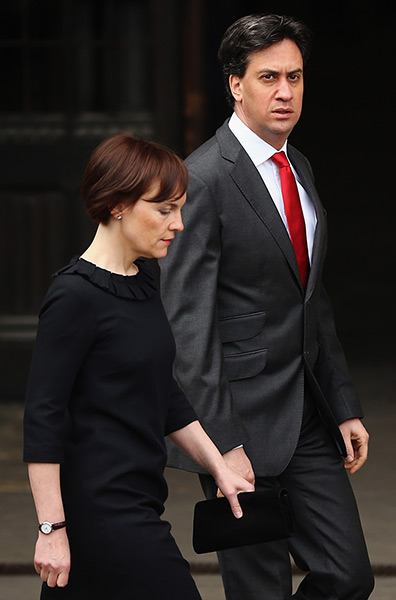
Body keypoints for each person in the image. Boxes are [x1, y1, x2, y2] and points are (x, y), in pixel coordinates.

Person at [159, 13, 374, 600]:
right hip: (237, 423)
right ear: (236, 84)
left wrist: (343, 403)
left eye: (296, 77)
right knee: (260, 590)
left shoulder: (297, 166)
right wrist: (221, 443)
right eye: (268, 77)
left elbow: (311, 298)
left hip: (304, 411)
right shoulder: (201, 179)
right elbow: (188, 325)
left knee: (348, 574)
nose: (285, 92)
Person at [23, 133, 254, 600]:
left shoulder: (143, 280)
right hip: (99, 510)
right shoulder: (73, 297)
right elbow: (43, 418)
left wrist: (219, 467)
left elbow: (164, 394)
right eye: (165, 209)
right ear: (118, 205)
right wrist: (52, 528)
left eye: (180, 208)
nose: (180, 224)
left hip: (141, 497)